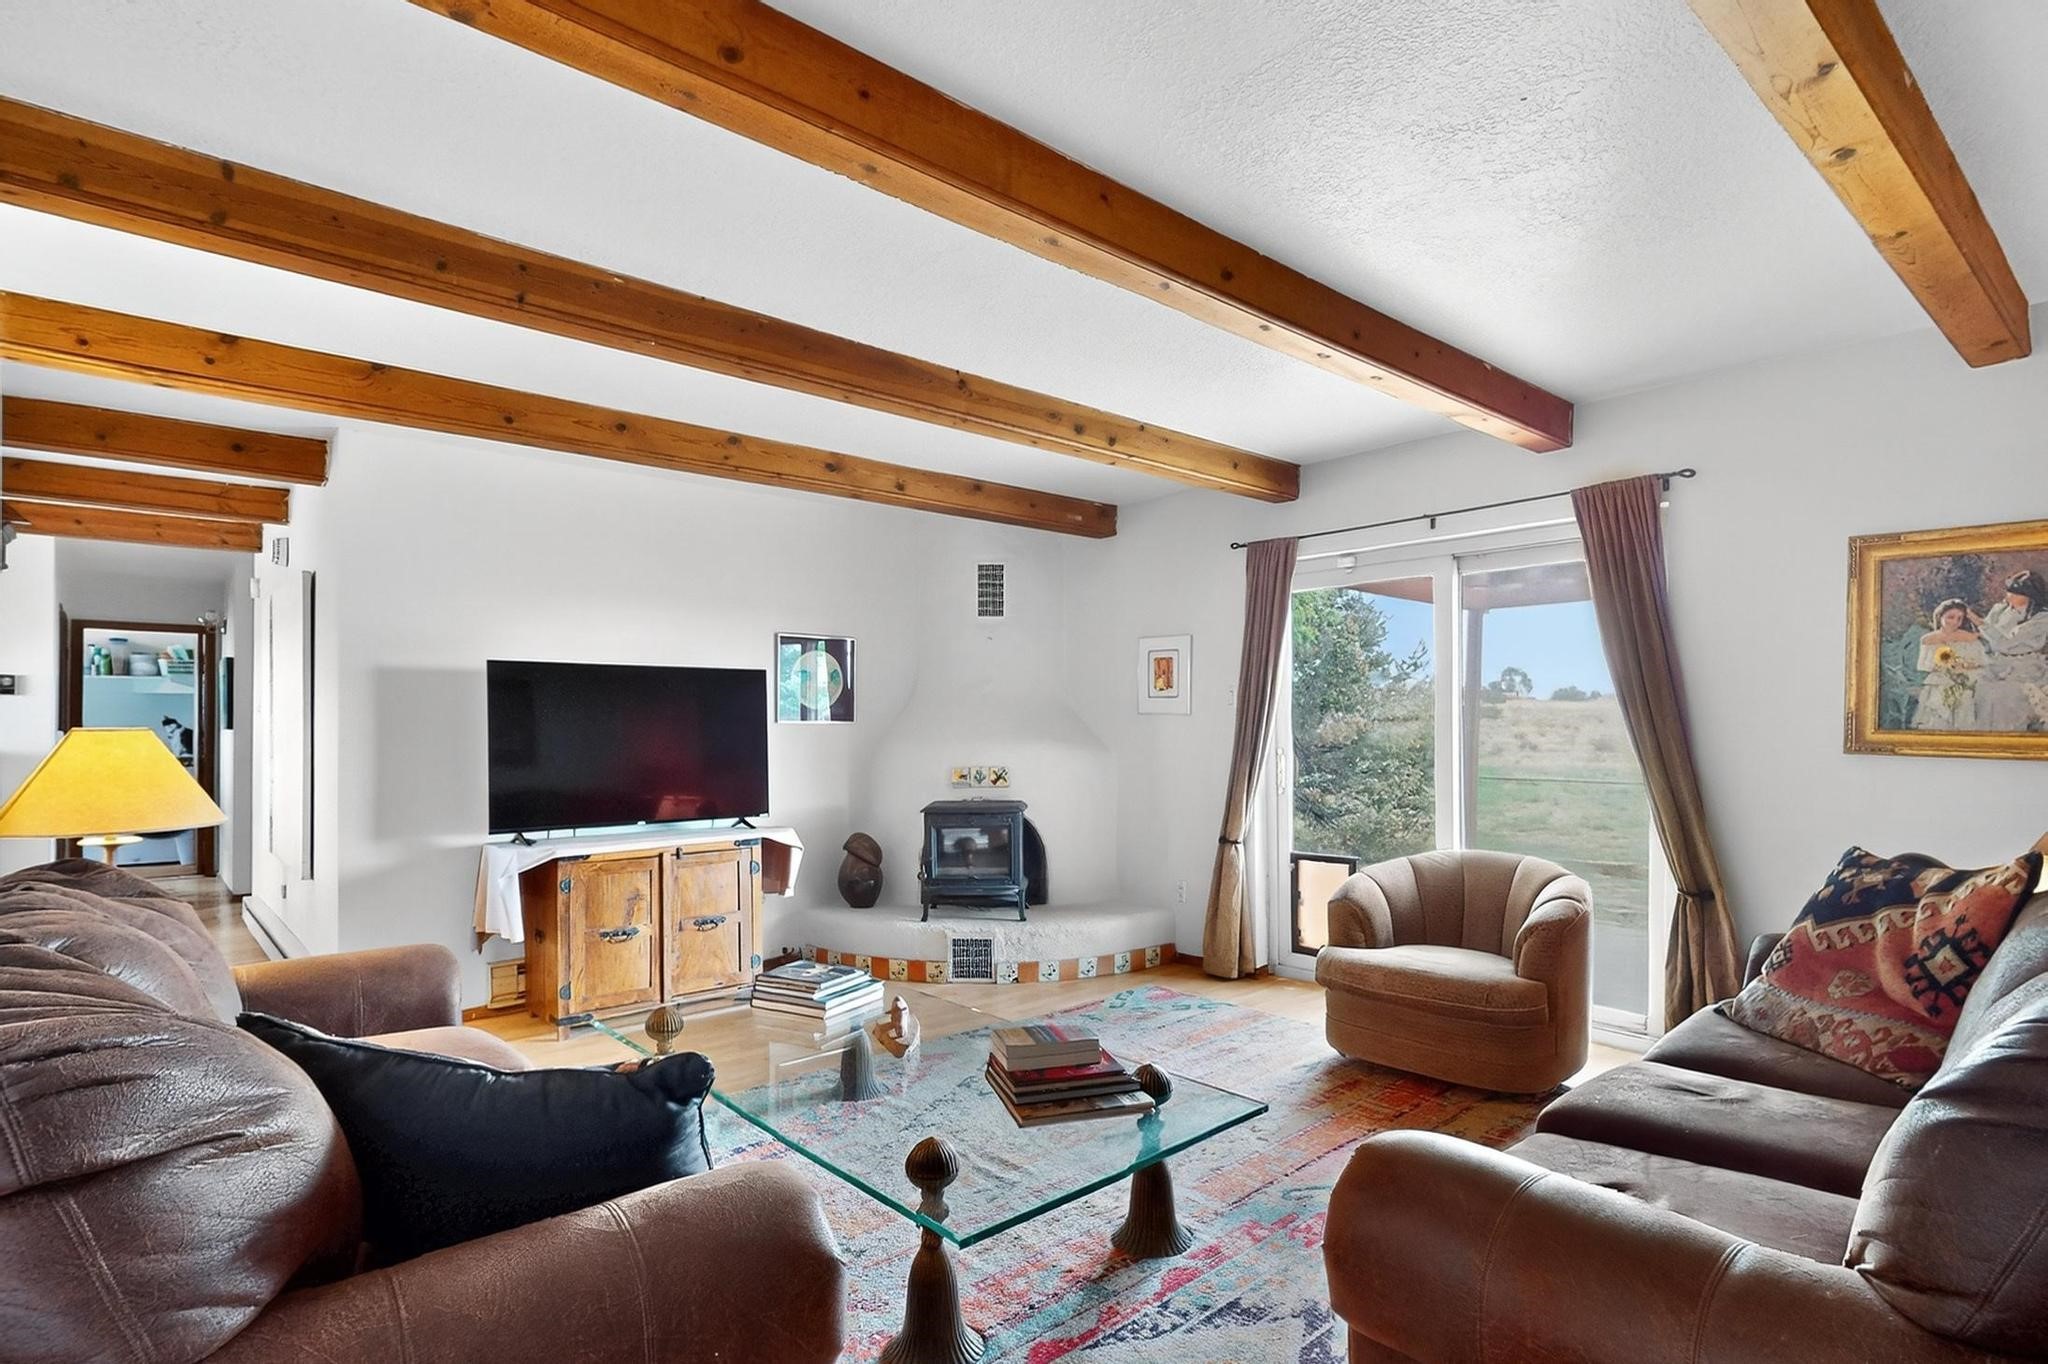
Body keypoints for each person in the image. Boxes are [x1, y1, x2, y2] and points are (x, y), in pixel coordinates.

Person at [1972, 570, 2048, 733]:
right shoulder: (1999, 610)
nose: (2009, 596)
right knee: (1980, 688)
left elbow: (2007, 643)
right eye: (2009, 591)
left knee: (2004, 696)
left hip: (2025, 666)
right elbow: (1986, 640)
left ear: (2030, 596)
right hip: (1996, 663)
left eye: (2016, 593)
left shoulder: (2041, 618)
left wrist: (1978, 622)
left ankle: (2007, 737)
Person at [1911, 598, 1984, 730]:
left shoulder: (1969, 638)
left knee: (1965, 700)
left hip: (1964, 679)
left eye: (1959, 618)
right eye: (1951, 617)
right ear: (1940, 616)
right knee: (1937, 699)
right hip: (1939, 679)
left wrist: (1962, 666)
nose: (1955, 622)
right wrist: (1943, 667)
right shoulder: (1928, 639)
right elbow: (1924, 665)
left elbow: (1980, 662)